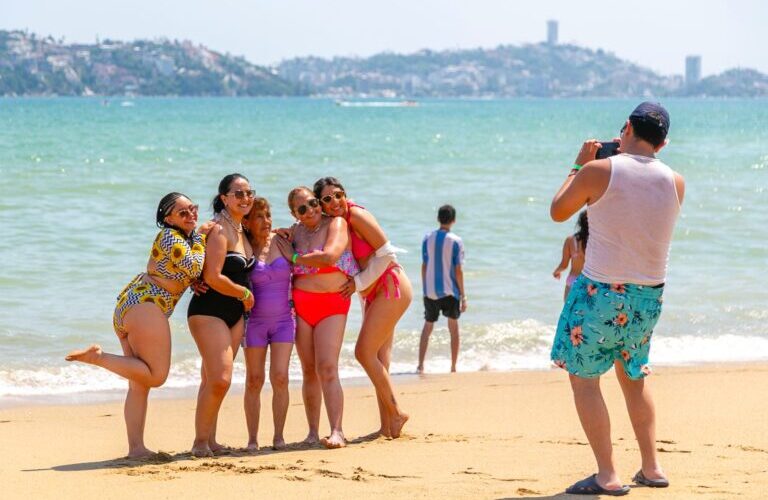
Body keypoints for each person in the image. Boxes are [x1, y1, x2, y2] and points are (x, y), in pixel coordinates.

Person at [549, 102, 684, 496]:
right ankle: (652, 467)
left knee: (586, 382)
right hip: (649, 296)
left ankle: (607, 474)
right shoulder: (676, 181)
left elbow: (559, 212)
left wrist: (578, 165)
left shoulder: (597, 171)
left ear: (626, 127)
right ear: (664, 142)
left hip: (600, 291)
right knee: (634, 378)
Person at [65, 193, 205, 458]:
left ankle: (136, 448)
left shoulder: (180, 239)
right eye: (183, 213)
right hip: (146, 305)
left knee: (139, 383)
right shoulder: (170, 237)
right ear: (168, 219)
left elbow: (185, 271)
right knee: (156, 375)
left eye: (193, 209)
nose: (192, 216)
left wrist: (191, 277)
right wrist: (202, 235)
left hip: (132, 306)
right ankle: (98, 357)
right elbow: (195, 265)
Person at [315, 177, 412, 439]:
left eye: (338, 195)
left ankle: (397, 413)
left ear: (345, 195)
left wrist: (357, 283)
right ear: (321, 205)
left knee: (362, 352)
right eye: (327, 199)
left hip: (391, 286)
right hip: (374, 293)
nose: (334, 201)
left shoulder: (355, 215)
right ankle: (388, 427)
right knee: (379, 359)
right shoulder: (338, 223)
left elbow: (387, 254)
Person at [274, 186, 360, 449]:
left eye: (313, 203)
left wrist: (296, 256)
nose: (310, 210)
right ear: (294, 213)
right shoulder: (295, 232)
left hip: (332, 302)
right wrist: (277, 233)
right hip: (302, 305)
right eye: (302, 208)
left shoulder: (335, 223)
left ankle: (337, 431)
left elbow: (330, 256)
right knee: (308, 369)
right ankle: (312, 432)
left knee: (327, 367)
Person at [187, 173, 255, 457]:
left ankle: (210, 440)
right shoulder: (217, 230)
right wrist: (243, 293)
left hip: (235, 315)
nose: (245, 198)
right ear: (224, 198)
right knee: (220, 379)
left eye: (249, 192)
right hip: (209, 310)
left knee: (211, 379)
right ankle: (200, 443)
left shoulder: (242, 229)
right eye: (238, 194)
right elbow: (213, 277)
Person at [241, 197, 294, 451]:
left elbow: (308, 234)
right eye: (259, 216)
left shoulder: (282, 241)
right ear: (247, 222)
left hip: (285, 321)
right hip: (255, 324)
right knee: (254, 379)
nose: (266, 221)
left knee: (281, 377)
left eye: (268, 215)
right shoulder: (243, 247)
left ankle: (279, 437)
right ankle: (252, 439)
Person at [417, 204, 466, 374]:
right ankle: (453, 366)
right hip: (450, 291)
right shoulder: (456, 241)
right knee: (453, 329)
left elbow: (424, 266)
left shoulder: (427, 238)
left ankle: (420, 365)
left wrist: (425, 288)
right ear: (453, 220)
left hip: (429, 291)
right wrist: (464, 296)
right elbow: (458, 270)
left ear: (438, 218)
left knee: (428, 327)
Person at [552, 210, 589, 302]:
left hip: (573, 281)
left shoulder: (570, 240)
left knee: (569, 314)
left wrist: (556, 271)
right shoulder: (597, 242)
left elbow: (564, 265)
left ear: (579, 223)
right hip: (590, 284)